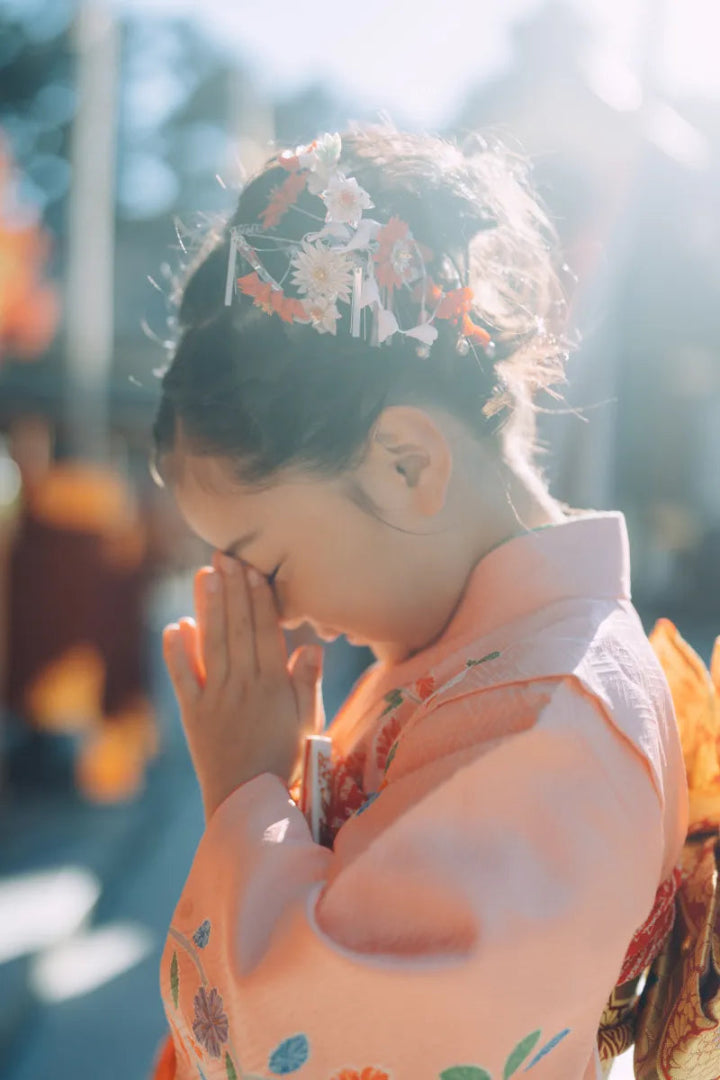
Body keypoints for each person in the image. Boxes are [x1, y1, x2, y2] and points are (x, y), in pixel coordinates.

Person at [149, 129, 689, 1080]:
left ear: (408, 462)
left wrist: (246, 795)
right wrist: (282, 789)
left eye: (264, 561)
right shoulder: (502, 671)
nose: (275, 613)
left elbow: (341, 1034)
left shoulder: (553, 713)